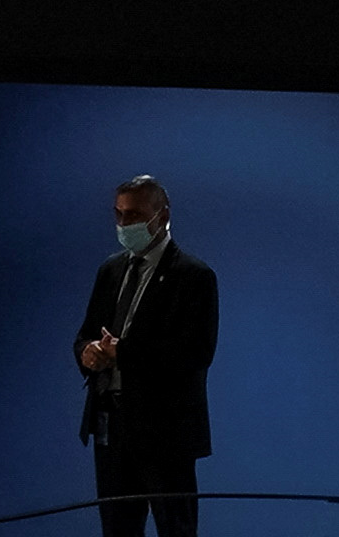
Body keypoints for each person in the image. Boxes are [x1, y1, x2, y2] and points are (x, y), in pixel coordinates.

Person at [74, 174, 216, 537]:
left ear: (162, 215)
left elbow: (196, 353)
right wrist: (88, 354)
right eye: (118, 215)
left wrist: (124, 353)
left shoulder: (193, 276)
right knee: (117, 529)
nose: (124, 224)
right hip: (111, 424)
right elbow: (86, 334)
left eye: (134, 216)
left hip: (165, 432)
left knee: (176, 529)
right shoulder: (110, 270)